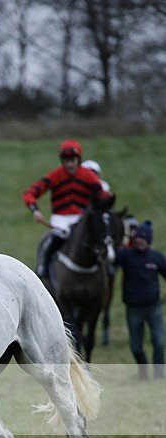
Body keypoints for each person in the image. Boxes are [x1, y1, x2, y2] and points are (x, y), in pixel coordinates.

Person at [22, 140, 112, 278]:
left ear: (78, 160)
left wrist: (106, 201)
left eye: (72, 160)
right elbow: (30, 193)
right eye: (66, 161)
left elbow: (102, 193)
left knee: (100, 235)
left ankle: (108, 266)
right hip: (61, 218)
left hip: (81, 217)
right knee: (57, 236)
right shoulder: (55, 175)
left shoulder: (88, 176)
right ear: (62, 161)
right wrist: (35, 209)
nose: (70, 164)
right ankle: (42, 268)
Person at [114, 222, 166, 380]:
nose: (138, 241)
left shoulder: (156, 257)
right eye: (136, 238)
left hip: (154, 307)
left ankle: (159, 374)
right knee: (136, 347)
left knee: (159, 342)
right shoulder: (126, 255)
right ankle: (143, 371)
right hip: (133, 308)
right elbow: (110, 260)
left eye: (142, 238)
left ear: (148, 240)